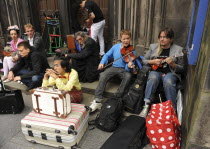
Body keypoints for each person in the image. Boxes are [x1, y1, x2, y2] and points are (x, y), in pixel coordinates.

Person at [139, 28, 185, 118]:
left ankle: (172, 110)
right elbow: (143, 60)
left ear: (171, 39)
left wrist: (172, 64)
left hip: (170, 73)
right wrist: (152, 62)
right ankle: (146, 106)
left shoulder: (178, 50)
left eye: (165, 37)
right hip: (156, 72)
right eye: (160, 37)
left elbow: (182, 69)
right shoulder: (153, 47)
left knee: (168, 80)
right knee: (153, 77)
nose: (162, 39)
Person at [89, 29, 136, 112]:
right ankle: (97, 100)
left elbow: (127, 68)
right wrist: (102, 62)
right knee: (103, 75)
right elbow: (107, 55)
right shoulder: (115, 47)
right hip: (113, 67)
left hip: (123, 70)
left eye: (128, 38)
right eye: (124, 39)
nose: (126, 40)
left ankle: (117, 97)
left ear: (130, 39)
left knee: (128, 76)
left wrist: (128, 66)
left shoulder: (132, 50)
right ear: (121, 39)